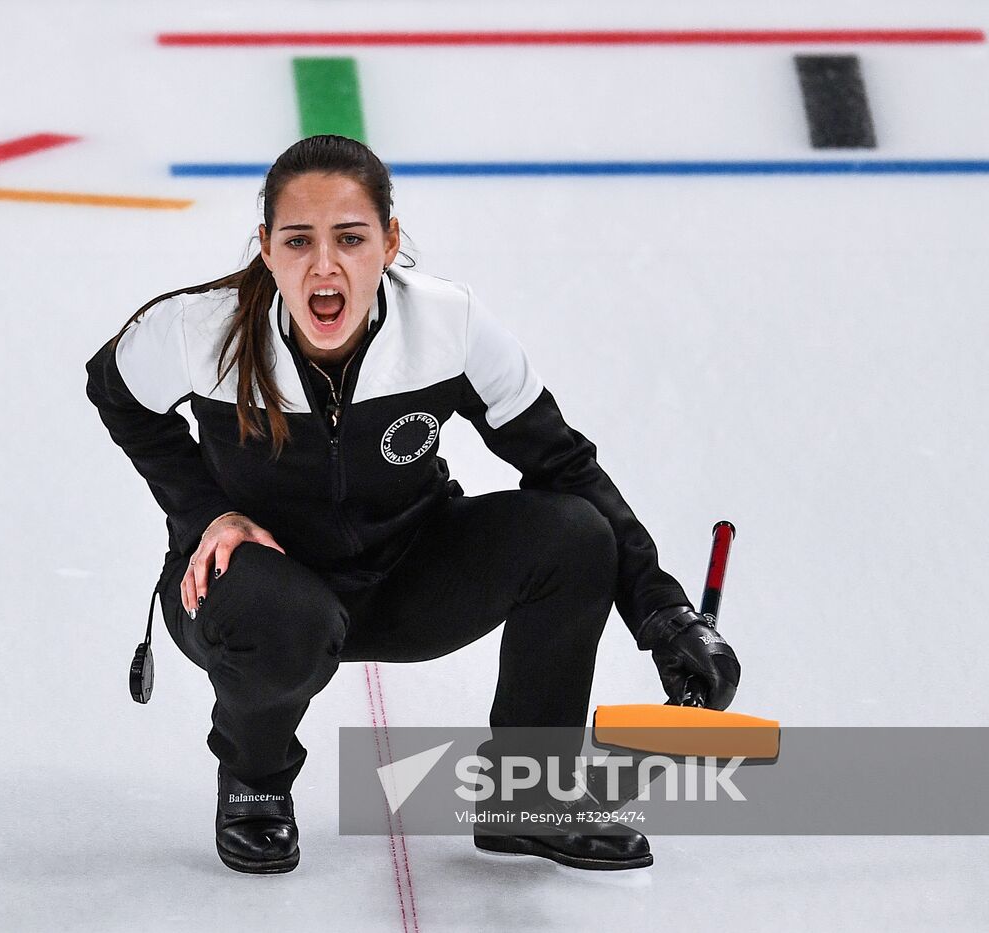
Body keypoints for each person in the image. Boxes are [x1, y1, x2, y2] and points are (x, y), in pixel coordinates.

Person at [85, 134, 739, 875]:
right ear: (265, 248)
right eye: (298, 240)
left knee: (573, 532)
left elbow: (564, 464)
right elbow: (115, 392)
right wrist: (205, 512)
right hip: (255, 592)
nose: (324, 265)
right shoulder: (199, 330)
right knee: (280, 615)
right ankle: (255, 782)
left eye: (351, 238)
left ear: (389, 243)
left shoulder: (448, 327)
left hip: (404, 577)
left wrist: (663, 614)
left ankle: (530, 797)